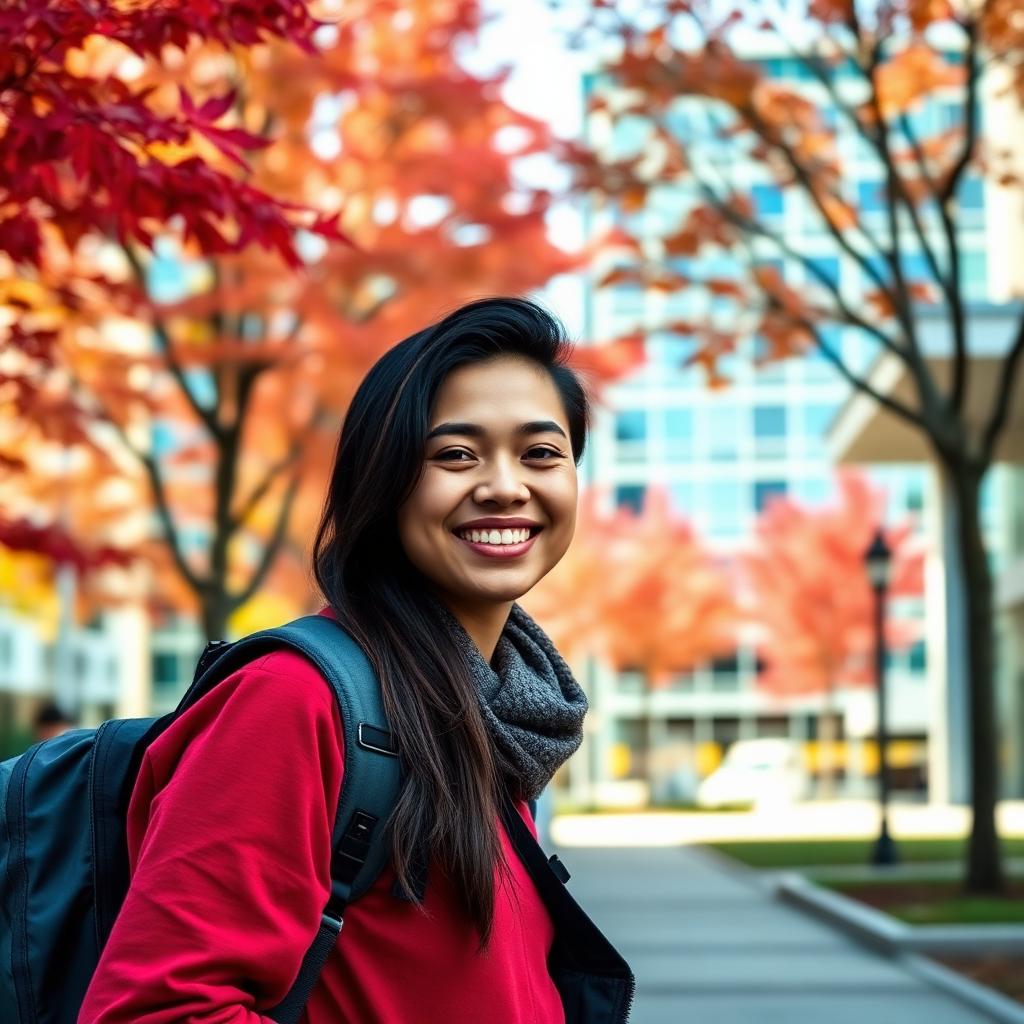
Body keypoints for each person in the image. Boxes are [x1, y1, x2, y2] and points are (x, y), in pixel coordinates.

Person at [80, 297, 594, 1023]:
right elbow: (157, 1010)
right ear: (383, 482)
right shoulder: (295, 700)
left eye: (541, 453)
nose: (507, 486)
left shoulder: (499, 717)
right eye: (455, 455)